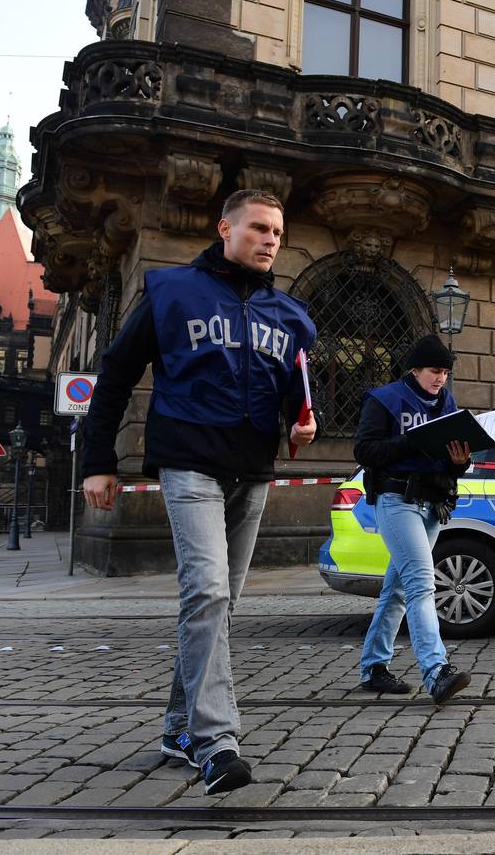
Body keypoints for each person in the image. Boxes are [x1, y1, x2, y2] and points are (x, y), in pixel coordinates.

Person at [80, 189, 317, 795]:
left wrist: (300, 419)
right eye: (260, 229)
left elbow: (293, 387)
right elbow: (113, 376)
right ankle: (217, 742)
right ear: (225, 228)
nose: (271, 241)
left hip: (254, 469)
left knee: (219, 606)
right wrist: (98, 463)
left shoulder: (289, 316)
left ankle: (179, 726)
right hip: (188, 464)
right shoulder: (170, 292)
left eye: (278, 234)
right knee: (207, 591)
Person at [356, 334, 472, 705]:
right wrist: (411, 441)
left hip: (433, 502)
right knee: (422, 584)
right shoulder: (385, 399)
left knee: (400, 589)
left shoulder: (446, 402)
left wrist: (460, 461)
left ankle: (374, 667)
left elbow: (454, 458)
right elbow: (364, 450)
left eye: (446, 373)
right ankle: (436, 671)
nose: (441, 379)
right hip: (396, 499)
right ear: (415, 369)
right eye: (435, 371)